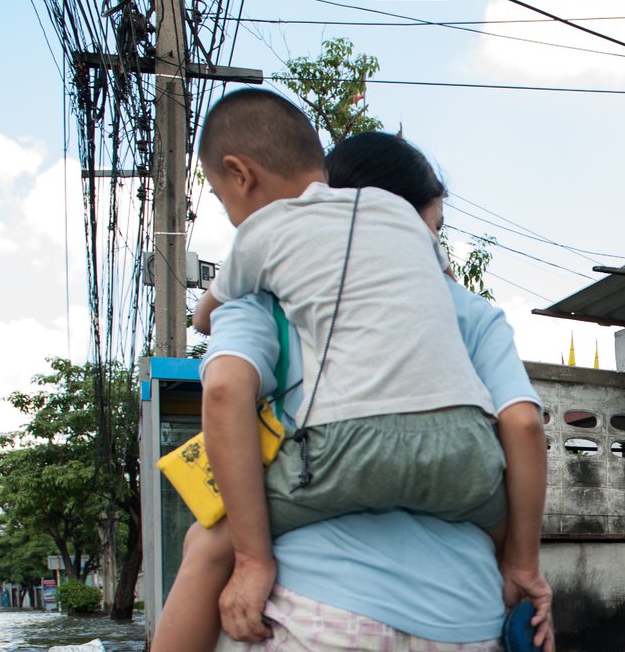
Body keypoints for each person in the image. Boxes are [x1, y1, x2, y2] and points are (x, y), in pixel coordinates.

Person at [61, 131, 576, 652]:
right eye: (433, 226)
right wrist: (523, 560)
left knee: (210, 538)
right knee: (516, 562)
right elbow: (523, 425)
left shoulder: (274, 285)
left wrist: (255, 556)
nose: (433, 245)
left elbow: (219, 372)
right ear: (400, 216)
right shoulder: (468, 309)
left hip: (329, 488)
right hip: (459, 531)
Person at [191, 88, 507, 539]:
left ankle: (247, 565)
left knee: (220, 530)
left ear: (239, 174)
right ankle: (517, 581)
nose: (233, 218)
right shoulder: (395, 211)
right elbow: (447, 282)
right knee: (499, 516)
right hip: (462, 446)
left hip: (347, 445)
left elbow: (204, 318)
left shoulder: (260, 232)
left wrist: (252, 554)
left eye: (224, 203)